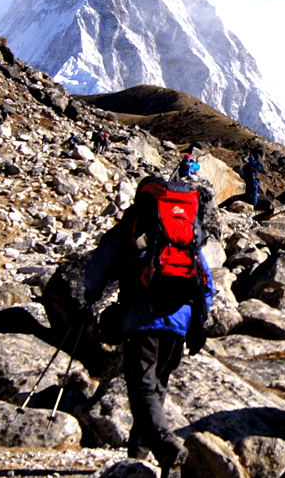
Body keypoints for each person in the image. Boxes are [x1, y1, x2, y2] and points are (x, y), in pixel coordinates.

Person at [83, 177, 213, 478]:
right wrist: (199, 322)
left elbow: (101, 263)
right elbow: (205, 279)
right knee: (157, 386)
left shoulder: (136, 224)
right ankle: (139, 458)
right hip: (180, 321)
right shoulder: (185, 234)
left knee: (142, 387)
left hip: (143, 318)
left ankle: (165, 446)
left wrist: (89, 294)